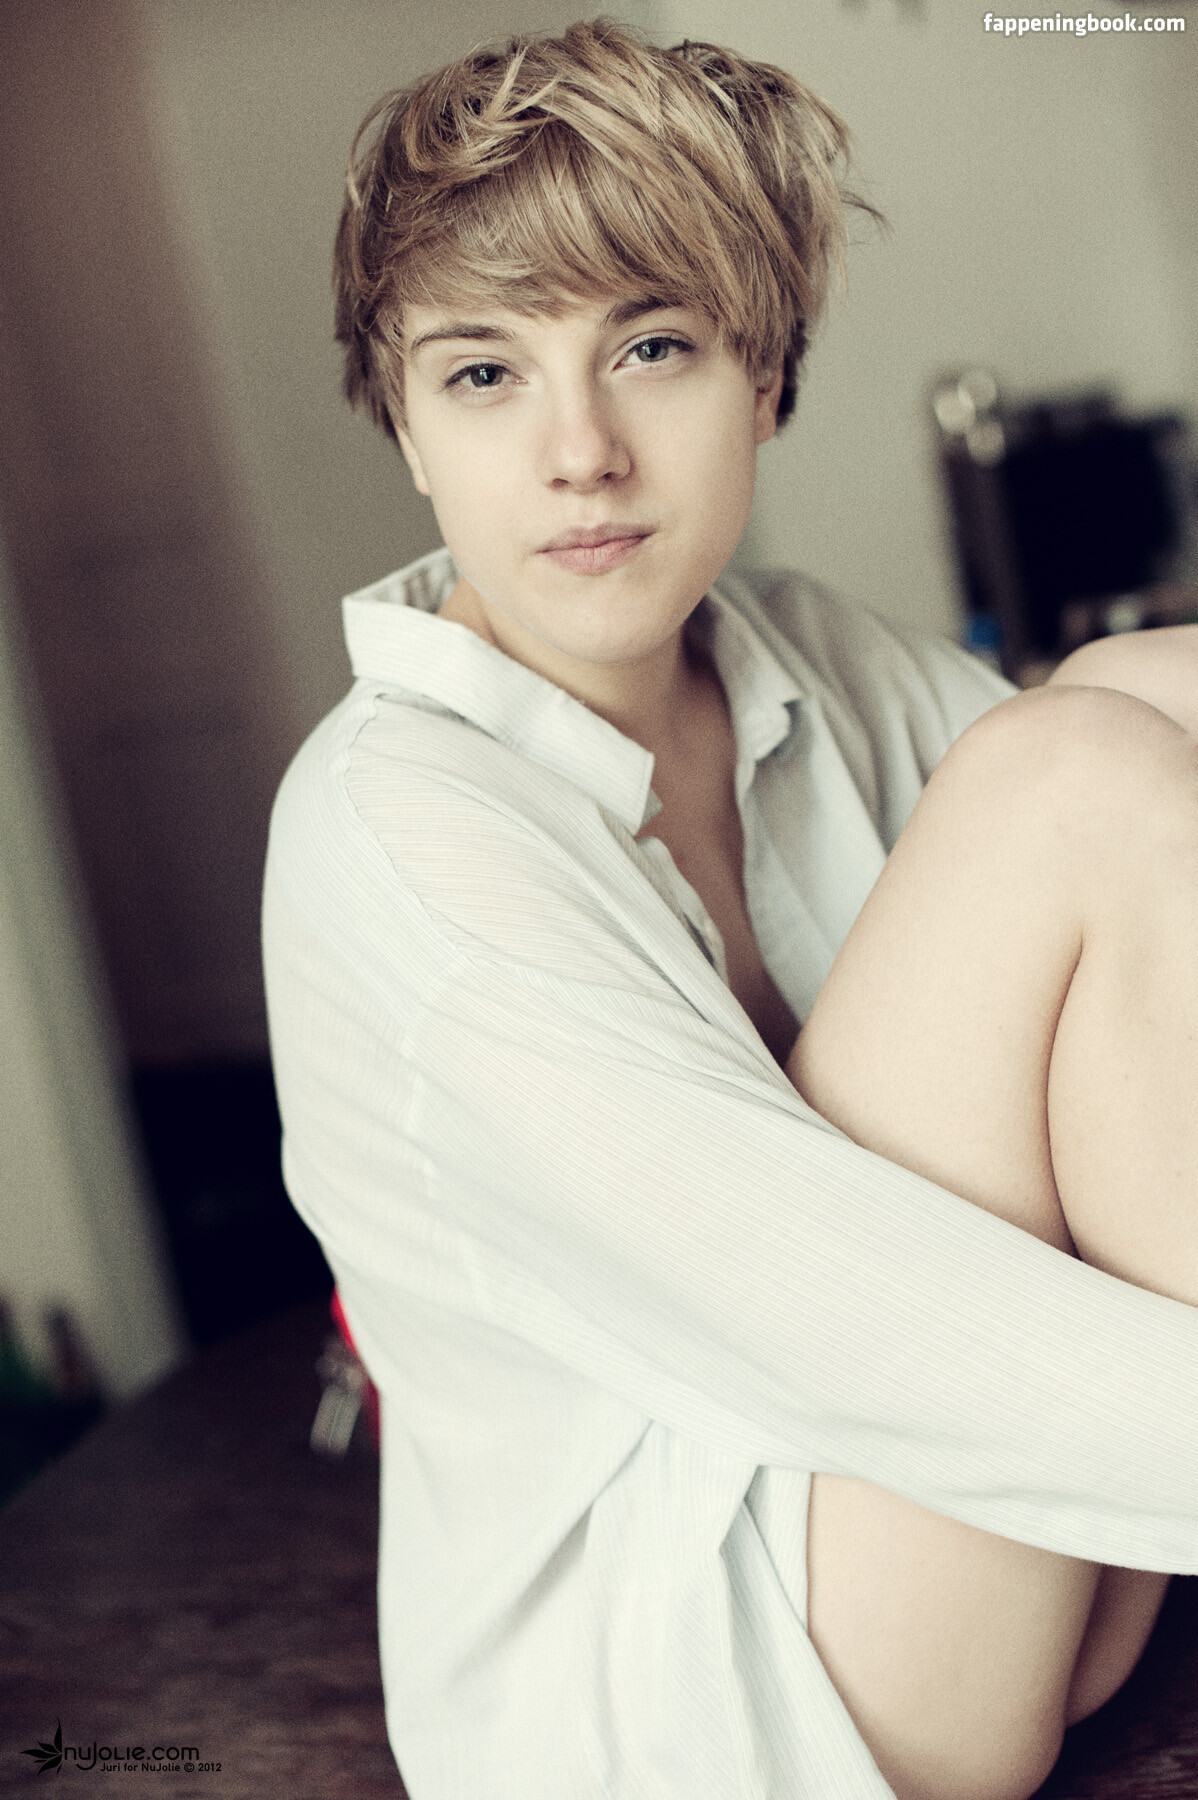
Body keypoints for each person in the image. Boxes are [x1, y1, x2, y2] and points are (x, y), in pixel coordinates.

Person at [261, 19, 1198, 1800]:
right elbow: (831, 1319)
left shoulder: (795, 653)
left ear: (764, 376)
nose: (580, 452)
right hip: (705, 1693)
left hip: (1000, 1581)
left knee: (1134, 702)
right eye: (483, 374)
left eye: (651, 347)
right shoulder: (392, 827)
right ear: (408, 429)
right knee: (1074, 764)